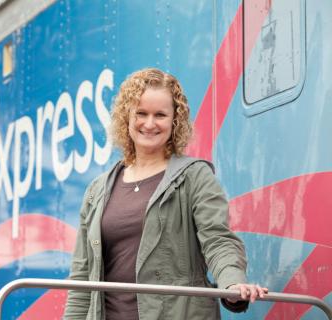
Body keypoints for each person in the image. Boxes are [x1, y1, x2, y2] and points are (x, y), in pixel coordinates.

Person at [64, 68, 267, 319]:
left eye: (160, 114)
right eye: (141, 113)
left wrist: (232, 283)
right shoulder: (97, 190)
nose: (149, 123)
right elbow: (82, 278)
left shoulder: (195, 177)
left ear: (175, 121)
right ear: (126, 117)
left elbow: (218, 240)